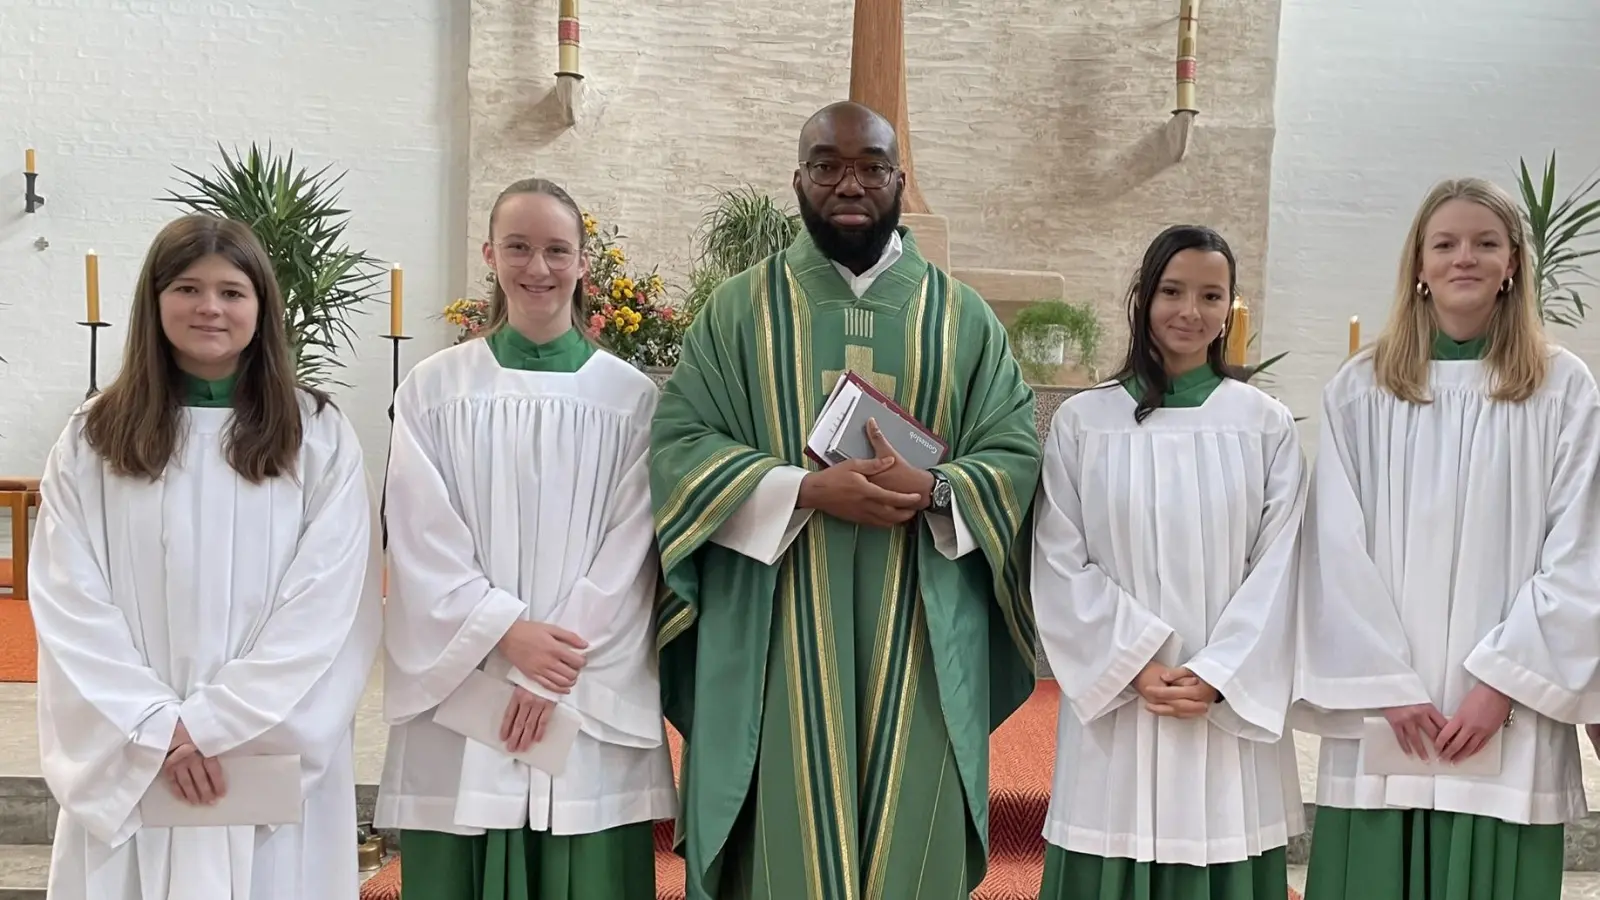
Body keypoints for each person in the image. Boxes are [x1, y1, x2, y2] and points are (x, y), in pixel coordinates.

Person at [648, 100, 1043, 899]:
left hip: (918, 634)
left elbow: (1012, 453)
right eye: (827, 166)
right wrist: (803, 489)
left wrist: (936, 489)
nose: (849, 183)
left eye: (870, 166)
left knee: (912, 835)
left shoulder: (962, 320)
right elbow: (681, 446)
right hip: (778, 629)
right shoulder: (737, 312)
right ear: (798, 179)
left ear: (901, 179)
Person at [31, 214, 382, 900]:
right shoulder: (94, 438)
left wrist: (219, 724)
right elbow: (69, 598)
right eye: (188, 288)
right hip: (138, 753)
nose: (210, 308)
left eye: (231, 291)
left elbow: (330, 600)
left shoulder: (316, 434)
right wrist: (158, 727)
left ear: (261, 308)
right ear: (154, 302)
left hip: (260, 754)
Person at [1293, 176, 1600, 899]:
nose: (1466, 257)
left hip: (1506, 708)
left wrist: (1504, 684)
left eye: (1486, 243)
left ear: (1514, 263)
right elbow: (1333, 545)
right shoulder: (1362, 387)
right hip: (1389, 712)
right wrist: (1389, 686)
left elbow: (1580, 545)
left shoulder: (1562, 386)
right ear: (1420, 266)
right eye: (1446, 244)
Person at [375, 177, 675, 900]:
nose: (537, 268)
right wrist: (507, 635)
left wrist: (550, 663)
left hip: (582, 682)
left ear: (582, 265)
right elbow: (420, 536)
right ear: (489, 254)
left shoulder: (630, 397)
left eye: (555, 250)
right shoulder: (434, 389)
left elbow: (634, 547)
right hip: (472, 681)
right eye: (518, 247)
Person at [1031, 225, 1306, 900]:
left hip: (1223, 707)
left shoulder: (1263, 423)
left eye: (1211, 295)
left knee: (1221, 838)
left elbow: (1284, 564)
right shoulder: (1084, 422)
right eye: (1173, 291)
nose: (1191, 311)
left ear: (1230, 309)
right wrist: (1135, 663)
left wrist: (1217, 674)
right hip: (1123, 707)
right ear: (1142, 298)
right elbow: (1059, 557)